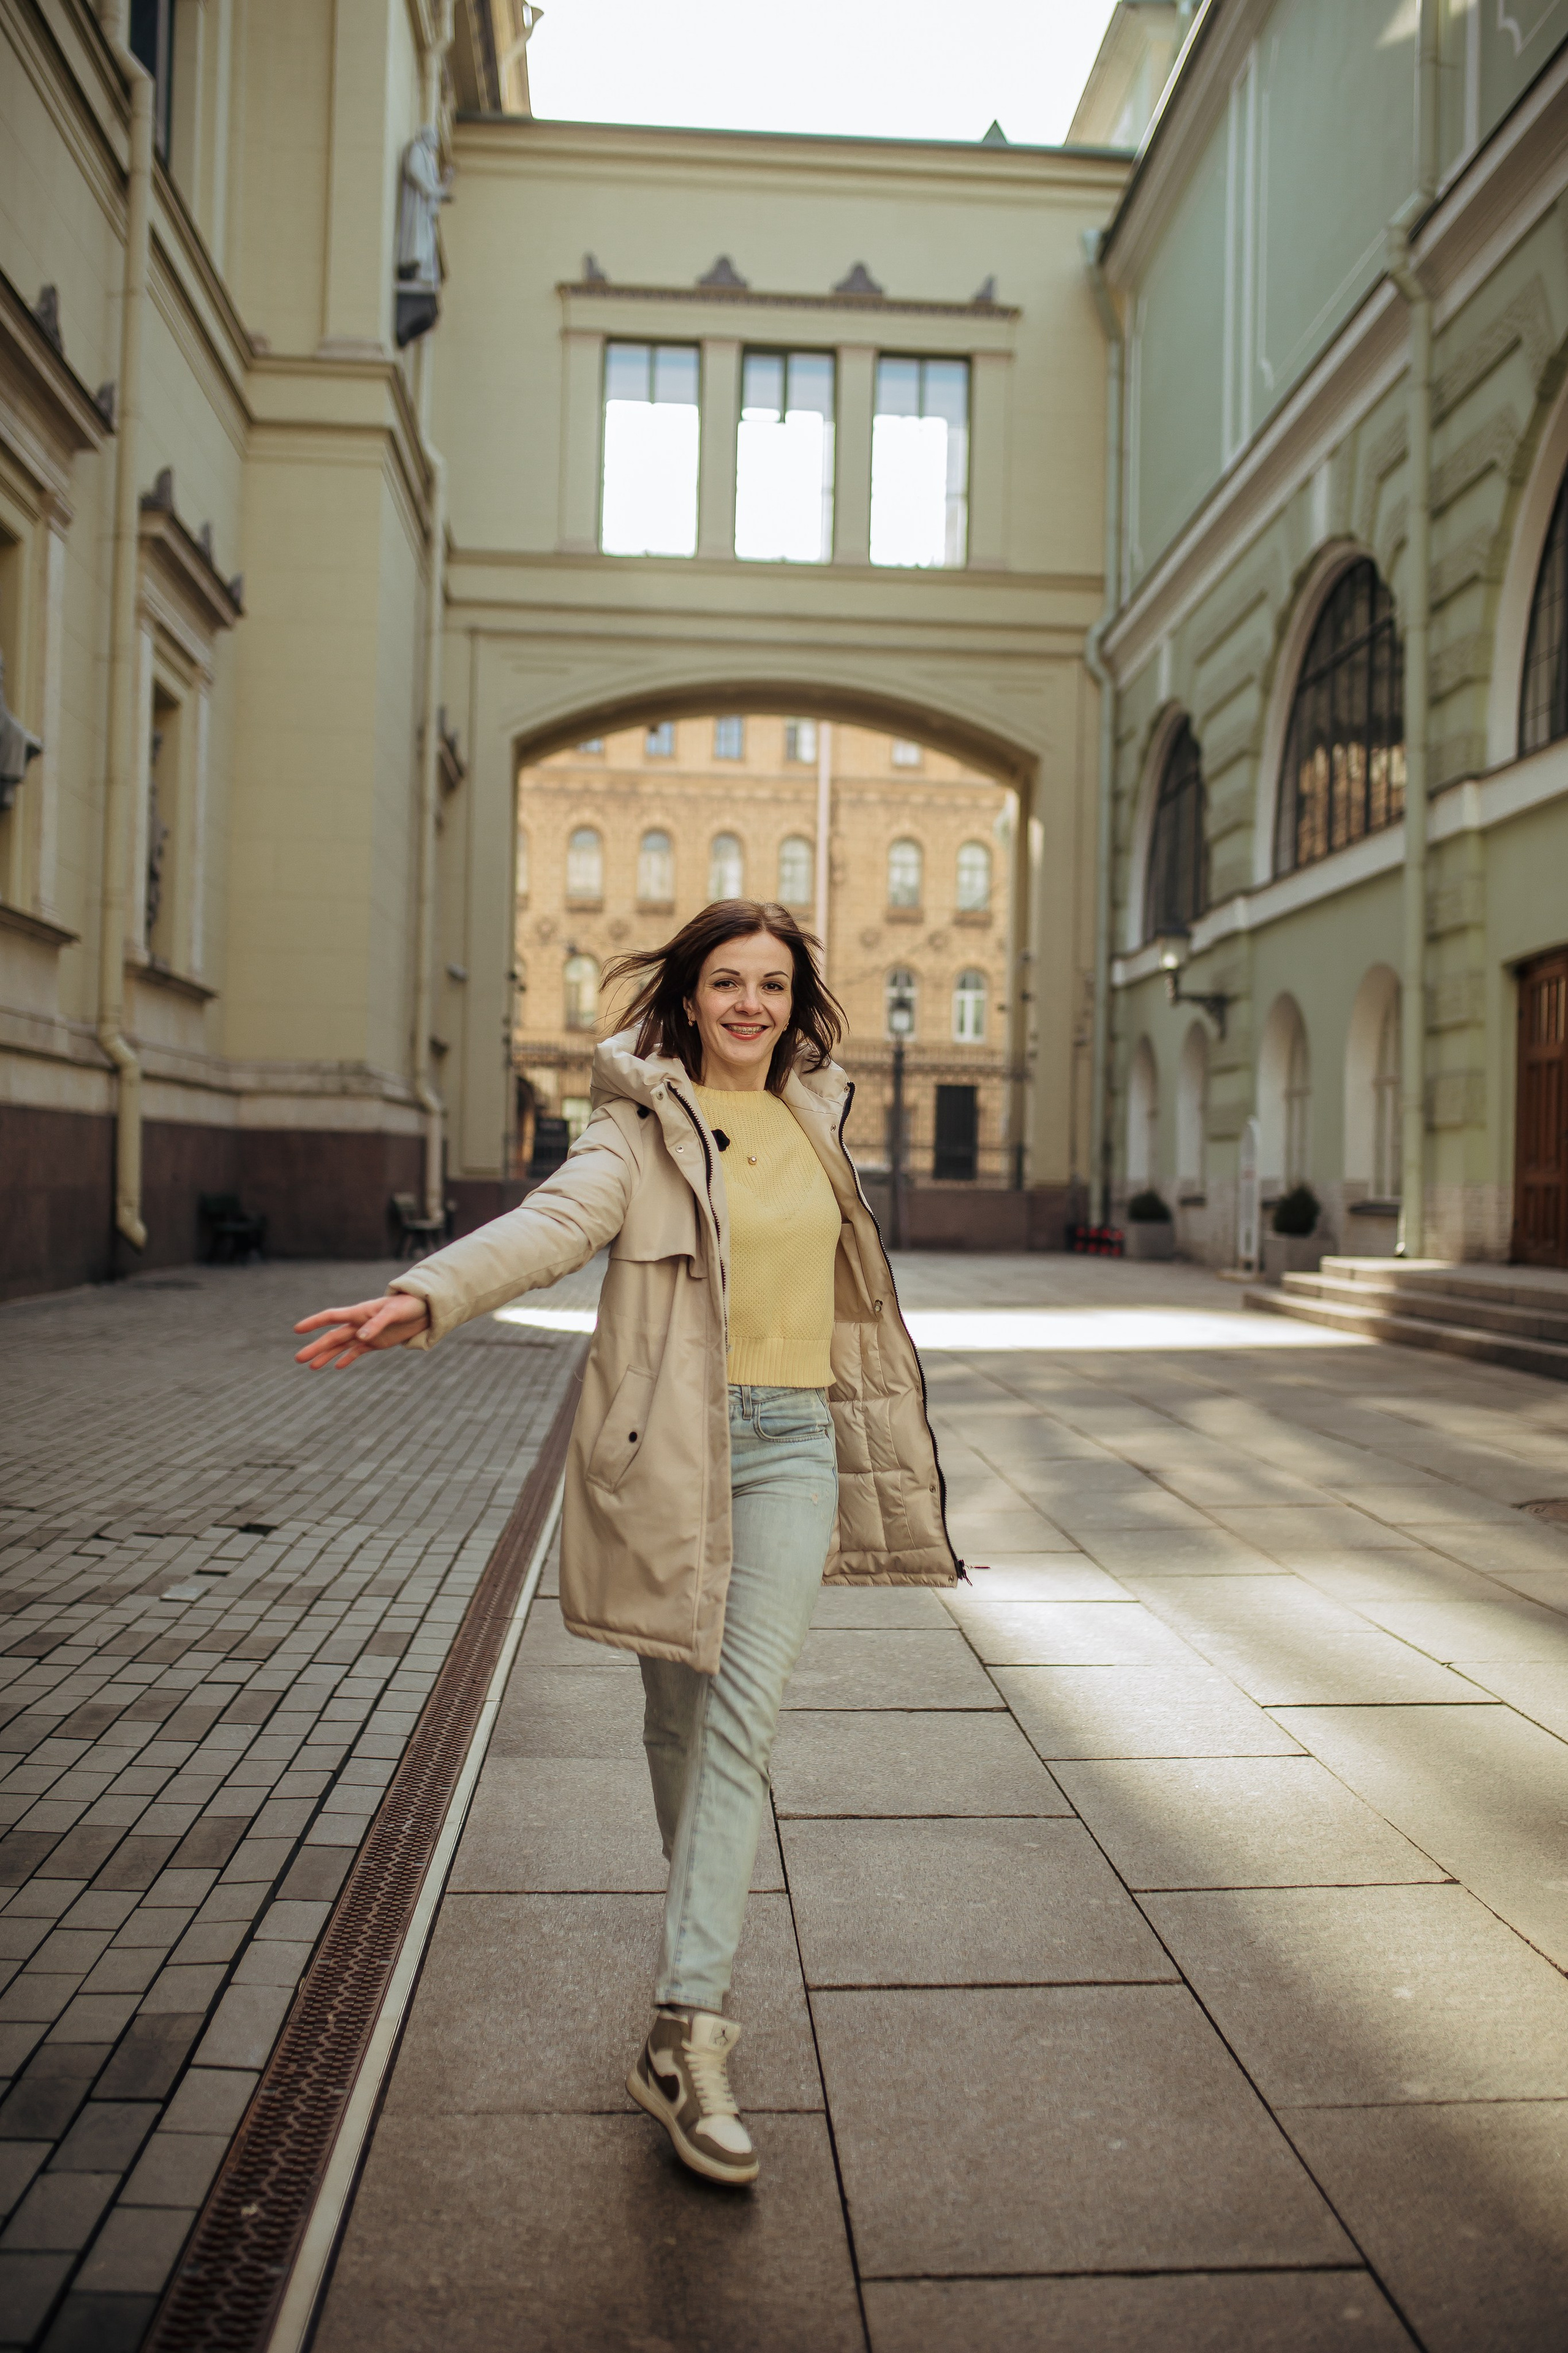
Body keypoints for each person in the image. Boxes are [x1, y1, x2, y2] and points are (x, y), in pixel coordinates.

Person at [294, 900, 958, 2187]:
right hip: (669, 1452)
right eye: (726, 982)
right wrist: (425, 1294)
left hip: (792, 1451)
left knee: (734, 1723)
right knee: (677, 1717)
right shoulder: (637, 1127)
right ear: (690, 996)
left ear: (796, 999)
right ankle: (696, 1926)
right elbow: (551, 1225)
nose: (750, 1005)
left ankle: (685, 2025)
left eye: (772, 984)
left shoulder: (819, 1121)